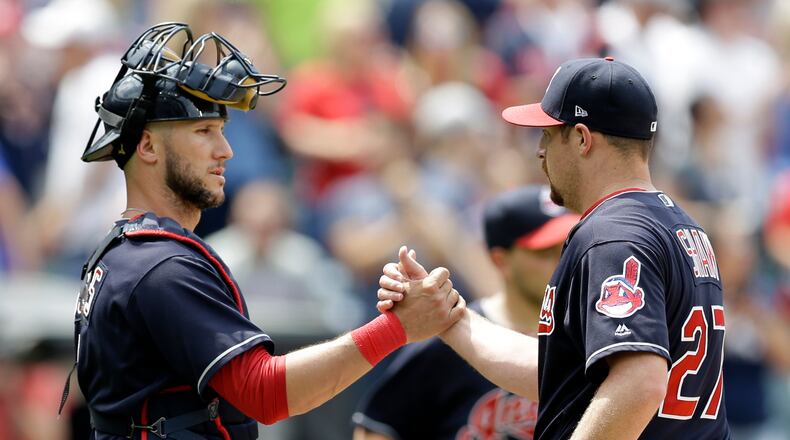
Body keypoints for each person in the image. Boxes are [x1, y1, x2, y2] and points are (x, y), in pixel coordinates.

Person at [65, 23, 464, 440]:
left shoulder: (122, 251)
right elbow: (264, 391)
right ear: (146, 147)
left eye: (221, 130)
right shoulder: (159, 267)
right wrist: (397, 328)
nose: (225, 150)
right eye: (203, 131)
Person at [378, 57, 732, 439]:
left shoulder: (612, 233)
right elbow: (565, 375)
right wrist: (449, 318)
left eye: (549, 134)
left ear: (582, 138)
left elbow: (640, 384)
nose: (540, 151)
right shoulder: (675, 222)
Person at [352, 185, 579, 440]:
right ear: (500, 260)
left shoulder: (594, 332)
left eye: (568, 245)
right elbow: (376, 429)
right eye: (544, 252)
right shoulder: (453, 337)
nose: (562, 260)